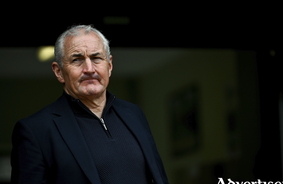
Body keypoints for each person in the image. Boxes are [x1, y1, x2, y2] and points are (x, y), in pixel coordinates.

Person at [11, 25, 169, 184]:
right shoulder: (36, 130)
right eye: (77, 60)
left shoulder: (133, 114)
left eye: (96, 58)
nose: (89, 69)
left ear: (110, 65)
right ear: (58, 72)